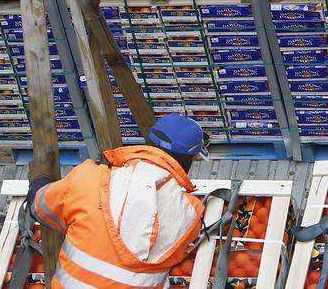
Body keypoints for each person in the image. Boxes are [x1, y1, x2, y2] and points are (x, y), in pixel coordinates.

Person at [27, 114, 210, 289]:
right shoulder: (189, 216)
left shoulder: (90, 179)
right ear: (190, 159)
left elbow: (40, 207)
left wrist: (39, 180)